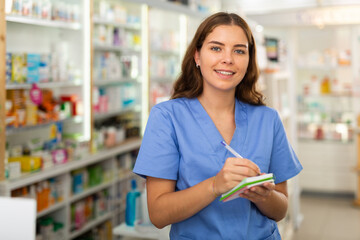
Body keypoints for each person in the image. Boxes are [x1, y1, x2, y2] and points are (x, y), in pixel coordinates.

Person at [133, 12, 302, 240]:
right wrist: (214, 185)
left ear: (248, 60)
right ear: (197, 56)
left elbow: (281, 209)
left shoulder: (267, 119)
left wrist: (264, 196)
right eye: (216, 48)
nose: (228, 59)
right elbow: (158, 214)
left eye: (239, 50)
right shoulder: (167, 117)